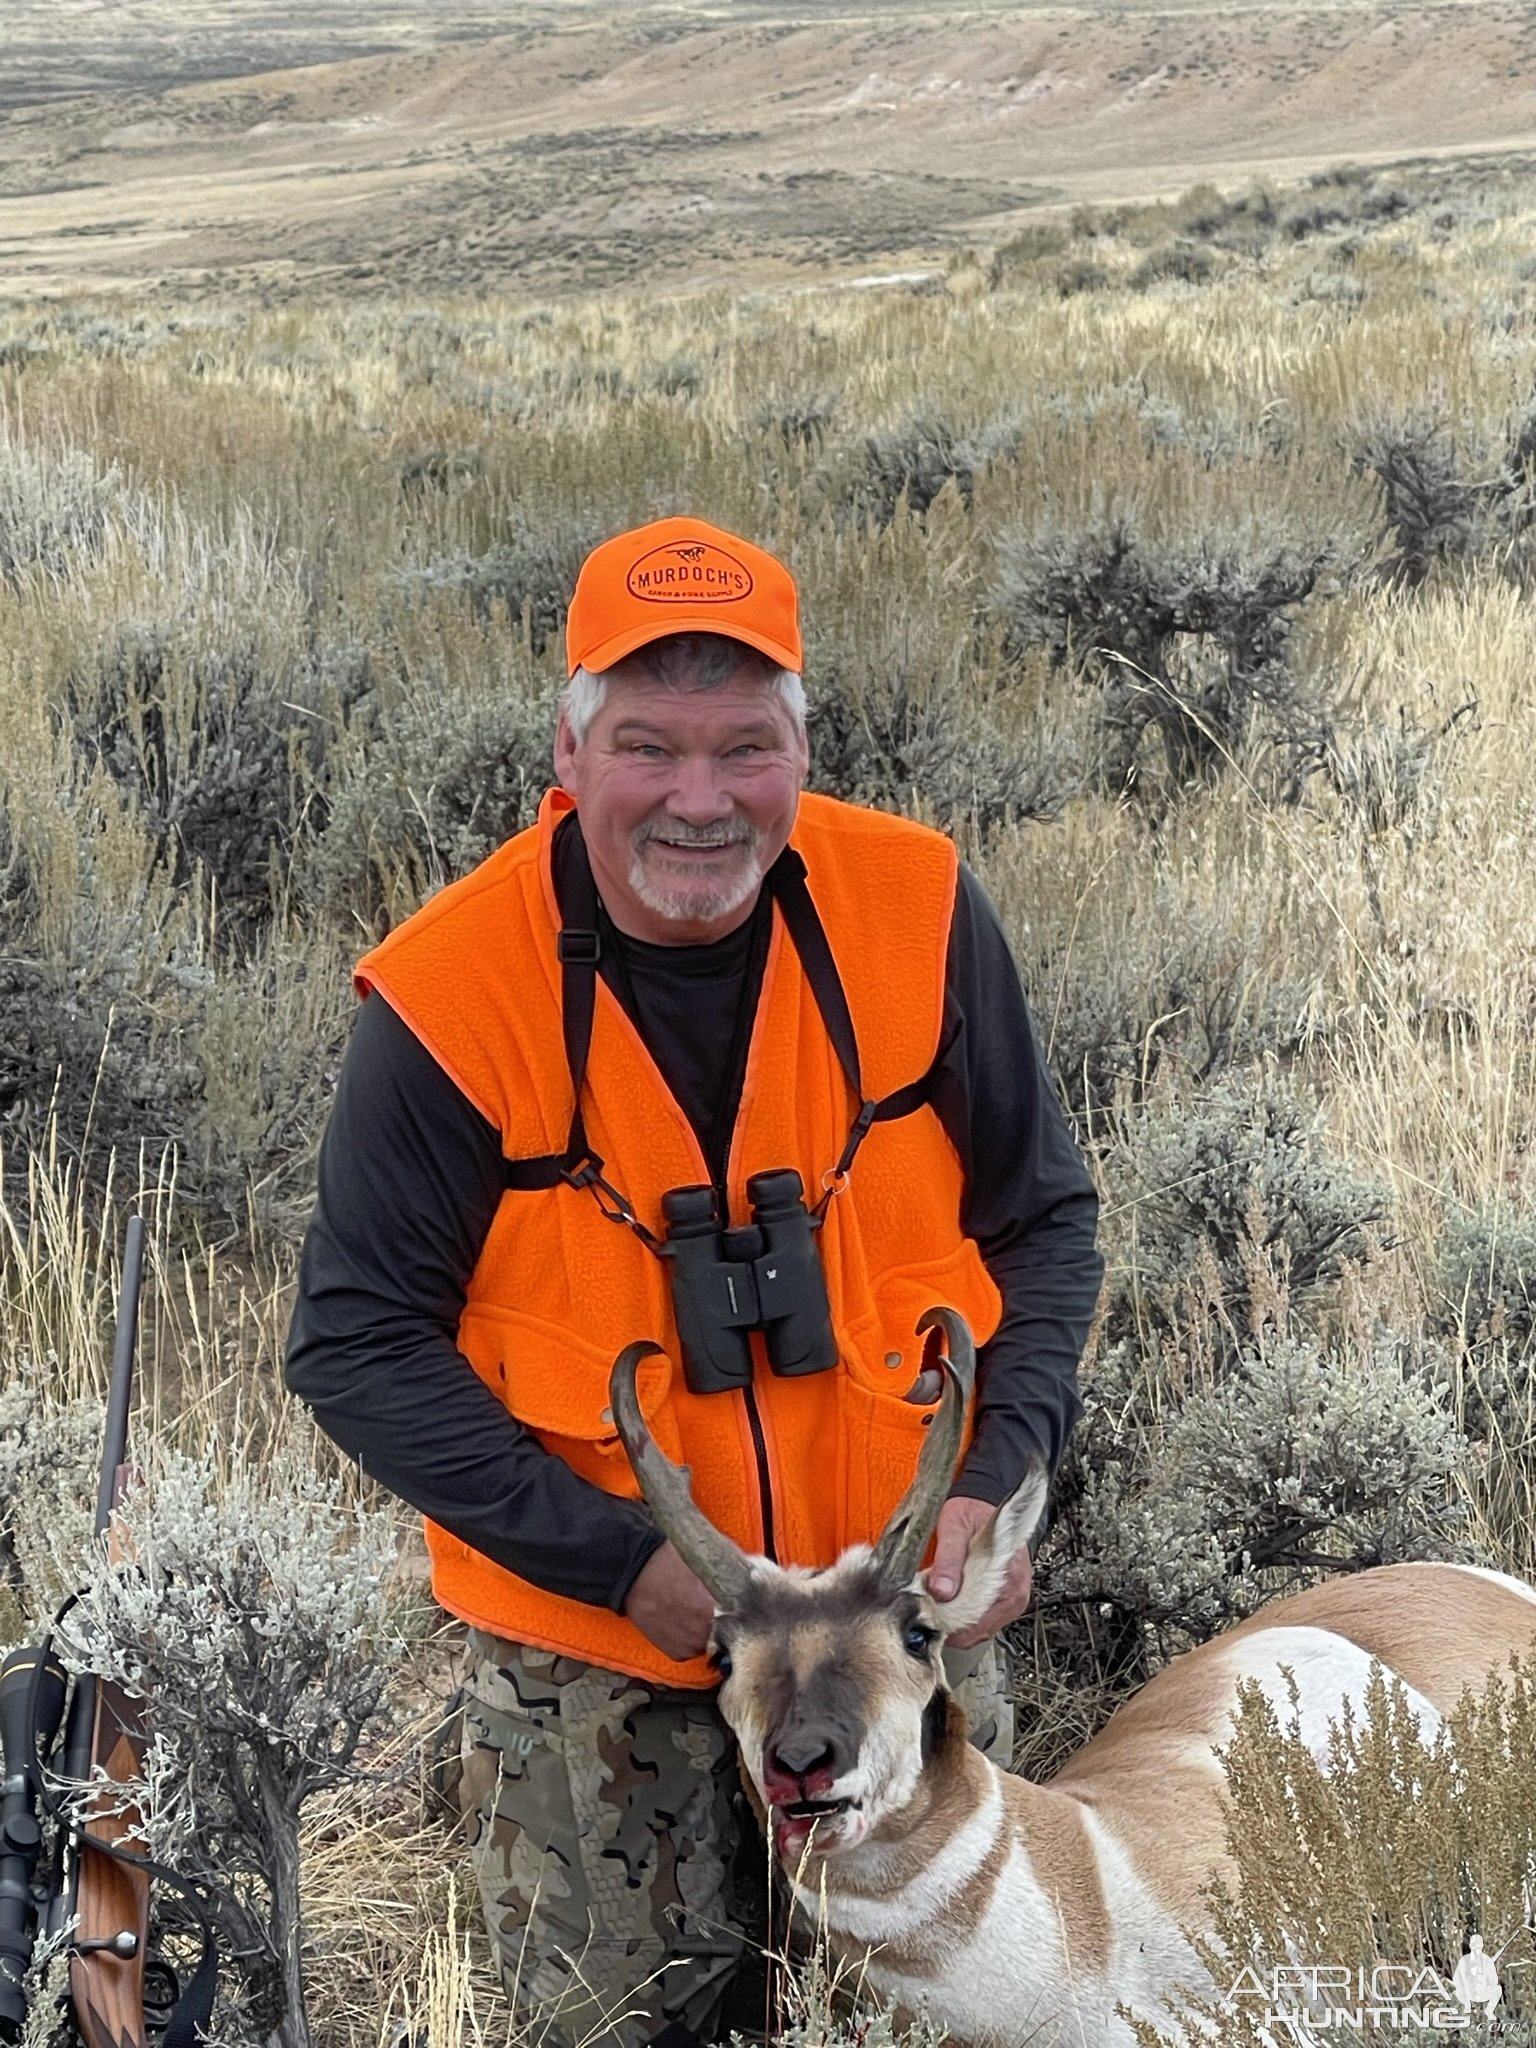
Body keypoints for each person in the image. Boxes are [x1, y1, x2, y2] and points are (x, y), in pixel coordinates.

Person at [285, 515, 1102, 2048]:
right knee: (627, 2026)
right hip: (608, 1664)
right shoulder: (453, 994)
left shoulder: (914, 908)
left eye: (746, 747)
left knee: (947, 2019)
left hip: (888, 1642)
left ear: (804, 744)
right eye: (650, 746)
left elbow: (1047, 1222)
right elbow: (355, 1343)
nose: (701, 800)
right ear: (570, 745)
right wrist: (620, 1566)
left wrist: (999, 1476)